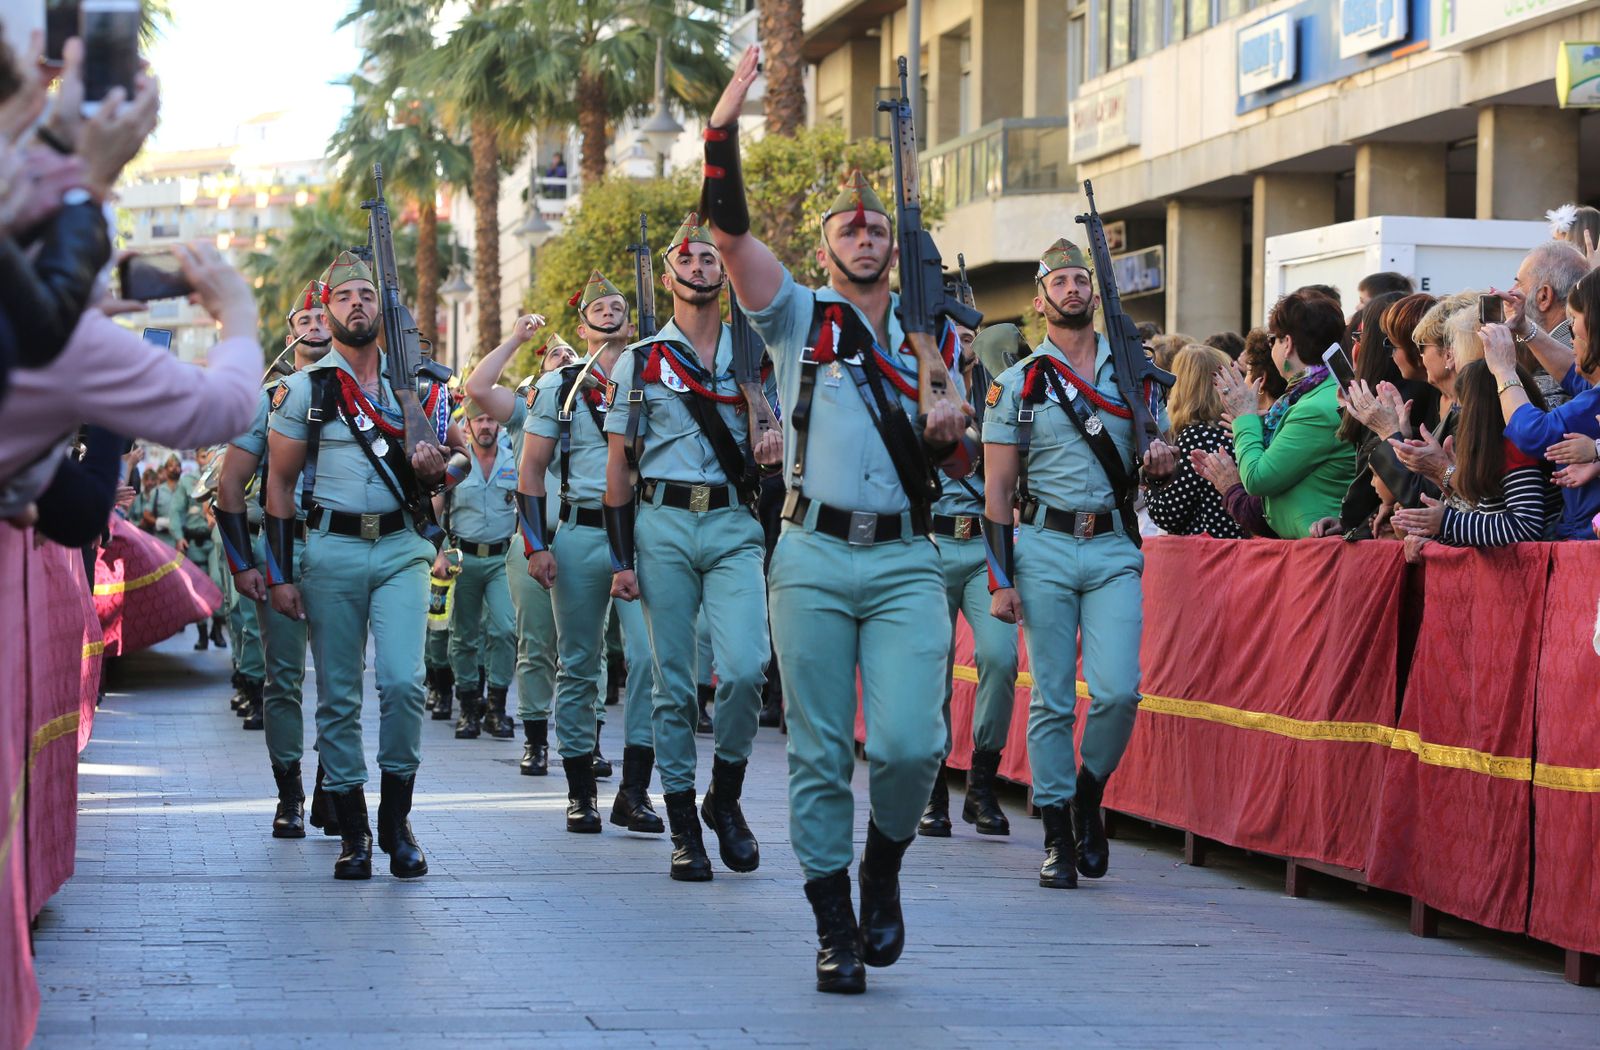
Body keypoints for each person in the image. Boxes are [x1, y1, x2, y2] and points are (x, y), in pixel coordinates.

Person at [701, 45, 970, 994]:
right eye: (846, 232)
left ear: (892, 248)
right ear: (823, 249)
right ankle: (832, 926)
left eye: (875, 232)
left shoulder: (930, 334)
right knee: (818, 750)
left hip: (904, 560)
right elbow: (729, 235)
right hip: (811, 549)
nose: (864, 239)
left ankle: (883, 867)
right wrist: (725, 120)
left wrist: (949, 427)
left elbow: (956, 457)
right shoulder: (796, 316)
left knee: (910, 744)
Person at [982, 236, 1177, 894]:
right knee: (1054, 699)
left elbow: (1161, 447)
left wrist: (1162, 458)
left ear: (1093, 294)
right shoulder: (1017, 383)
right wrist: (1001, 579)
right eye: (1058, 281)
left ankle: (1089, 793)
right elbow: (997, 493)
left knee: (1121, 691)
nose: (1071, 288)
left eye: (1079, 279)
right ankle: (1059, 831)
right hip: (1041, 547)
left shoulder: (1132, 373)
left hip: (1114, 545)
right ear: (1039, 301)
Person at [264, 251, 454, 881]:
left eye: (365, 295)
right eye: (342, 297)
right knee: (338, 698)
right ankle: (354, 831)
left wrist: (434, 470)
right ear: (325, 309)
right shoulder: (303, 391)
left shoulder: (419, 389)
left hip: (401, 548)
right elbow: (280, 490)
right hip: (331, 551)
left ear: (383, 306)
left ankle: (398, 822)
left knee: (403, 683)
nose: (355, 305)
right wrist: (282, 574)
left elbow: (443, 471)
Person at [603, 212, 780, 880]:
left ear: (723, 270)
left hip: (735, 522)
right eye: (690, 259)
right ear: (669, 273)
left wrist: (773, 443)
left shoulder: (755, 349)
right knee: (672, 683)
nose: (702, 267)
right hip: (663, 523)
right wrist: (622, 559)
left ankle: (724, 798)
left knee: (744, 667)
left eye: (711, 259)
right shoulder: (643, 362)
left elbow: (776, 430)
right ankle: (682, 824)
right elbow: (619, 465)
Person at [516, 270, 659, 838]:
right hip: (580, 532)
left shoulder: (656, 375)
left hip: (643, 534)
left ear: (630, 320)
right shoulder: (562, 387)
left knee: (650, 660)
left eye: (617, 305)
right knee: (577, 666)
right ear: (581, 325)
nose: (608, 312)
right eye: (597, 307)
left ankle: (633, 790)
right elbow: (530, 469)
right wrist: (536, 544)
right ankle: (580, 794)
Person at [217, 280, 334, 838]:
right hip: (284, 547)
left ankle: (333, 788)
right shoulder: (266, 398)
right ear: (291, 333)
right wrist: (243, 563)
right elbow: (231, 484)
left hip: (344, 550)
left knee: (342, 683)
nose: (315, 326)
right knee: (284, 681)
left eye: (322, 317)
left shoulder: (369, 391)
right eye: (304, 320)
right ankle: (289, 794)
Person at [917, 310, 1021, 840]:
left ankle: (982, 781)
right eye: (947, 335)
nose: (957, 344)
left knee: (1000, 659)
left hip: (985, 545)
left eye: (963, 336)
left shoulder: (1003, 390)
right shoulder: (915, 385)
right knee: (931, 665)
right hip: (930, 540)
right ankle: (932, 786)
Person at [462, 315, 576, 776]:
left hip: (585, 536)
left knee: (585, 651)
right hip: (532, 541)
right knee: (534, 645)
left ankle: (584, 743)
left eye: (572, 353)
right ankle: (535, 740)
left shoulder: (599, 403)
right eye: (555, 354)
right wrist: (516, 338)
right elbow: (478, 388)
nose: (565, 357)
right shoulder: (528, 409)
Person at [1214, 291, 1355, 538]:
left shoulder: (1314, 408)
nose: (1272, 348)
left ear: (1287, 343)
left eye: (1273, 340)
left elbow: (1258, 479)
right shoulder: (1317, 392)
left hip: (1321, 548)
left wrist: (1244, 418)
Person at [1487, 267, 1600, 540]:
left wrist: (1503, 370)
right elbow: (1578, 376)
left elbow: (1534, 433)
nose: (1571, 330)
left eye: (1574, 319)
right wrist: (1524, 327)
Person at [1393, 359, 1553, 548]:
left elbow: (1524, 527)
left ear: (1479, 411)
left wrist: (1446, 523)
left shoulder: (1516, 449)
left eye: (1461, 407)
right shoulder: (1495, 451)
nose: (1461, 417)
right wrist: (1431, 539)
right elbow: (1487, 522)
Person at [436, 399, 520, 741]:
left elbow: (528, 502)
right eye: (478, 420)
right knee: (463, 635)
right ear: (467, 425)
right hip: (462, 558)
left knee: (504, 629)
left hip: (502, 557)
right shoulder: (458, 461)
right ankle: (468, 707)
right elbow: (437, 507)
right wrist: (439, 551)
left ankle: (497, 709)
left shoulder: (513, 457)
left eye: (491, 420)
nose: (486, 426)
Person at [1146, 345, 1243, 538]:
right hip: (1239, 547)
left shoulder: (1196, 437)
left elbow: (1169, 515)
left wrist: (1155, 480)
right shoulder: (1237, 430)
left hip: (1211, 554)